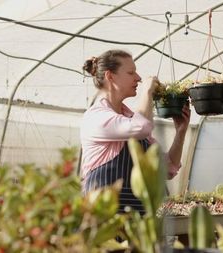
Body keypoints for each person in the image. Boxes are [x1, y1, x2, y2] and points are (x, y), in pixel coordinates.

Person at [80, 49, 190, 213]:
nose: (138, 78)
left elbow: (168, 167)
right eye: (131, 72)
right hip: (103, 219)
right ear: (110, 76)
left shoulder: (130, 119)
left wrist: (180, 132)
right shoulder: (96, 117)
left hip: (137, 222)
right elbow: (142, 127)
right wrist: (147, 92)